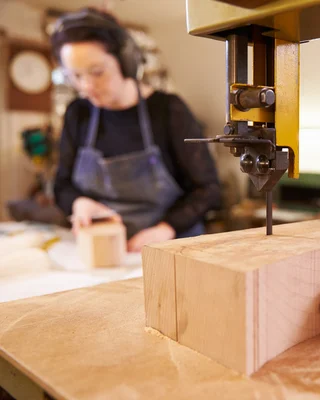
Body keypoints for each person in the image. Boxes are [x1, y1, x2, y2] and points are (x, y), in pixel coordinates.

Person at [51, 8, 221, 252]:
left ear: (126, 62)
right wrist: (79, 203)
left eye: (97, 72)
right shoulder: (78, 113)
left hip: (170, 250)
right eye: (76, 76)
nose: (86, 86)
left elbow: (208, 189)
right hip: (102, 252)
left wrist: (166, 228)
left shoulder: (168, 110)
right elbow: (61, 186)